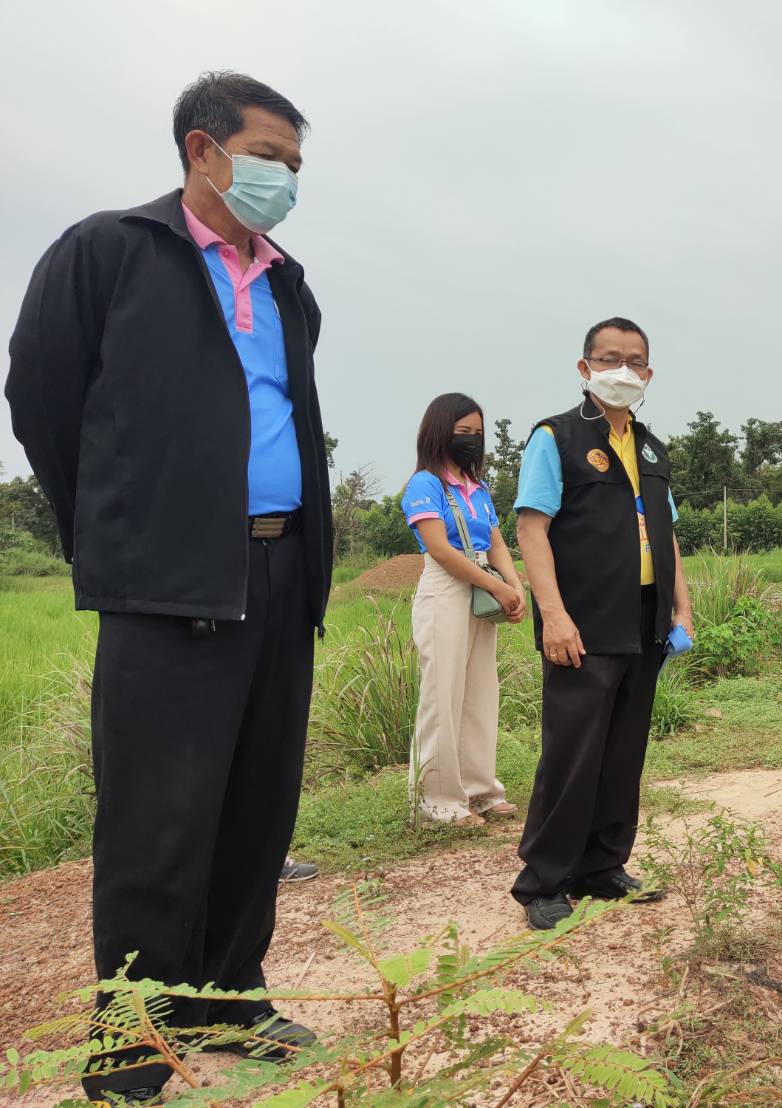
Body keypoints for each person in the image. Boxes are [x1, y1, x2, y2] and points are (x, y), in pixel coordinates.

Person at [5, 72, 330, 1102]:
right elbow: (41, 396)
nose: (285, 179)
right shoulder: (110, 252)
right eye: (270, 156)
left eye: (296, 164)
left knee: (256, 802)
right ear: (203, 149)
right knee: (157, 816)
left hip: (281, 570)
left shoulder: (287, 284)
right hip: (167, 579)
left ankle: (229, 996)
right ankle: (134, 1030)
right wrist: (125, 529)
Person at [511, 317, 693, 930]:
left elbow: (667, 535)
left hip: (644, 620)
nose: (623, 370)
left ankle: (602, 864)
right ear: (585, 367)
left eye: (635, 360)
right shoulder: (555, 437)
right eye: (610, 358)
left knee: (623, 750)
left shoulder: (652, 448)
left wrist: (682, 608)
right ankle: (543, 880)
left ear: (649, 373)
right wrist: (554, 616)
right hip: (583, 622)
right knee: (573, 753)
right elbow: (531, 528)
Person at [402, 393, 527, 825]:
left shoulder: (477, 487)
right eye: (462, 432)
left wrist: (515, 586)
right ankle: (437, 802)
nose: (472, 439)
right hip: (446, 589)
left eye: (477, 432)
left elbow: (496, 543)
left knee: (479, 693)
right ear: (440, 432)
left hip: (482, 585)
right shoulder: (426, 485)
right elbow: (439, 549)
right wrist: (497, 585)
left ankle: (479, 790)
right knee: (443, 693)